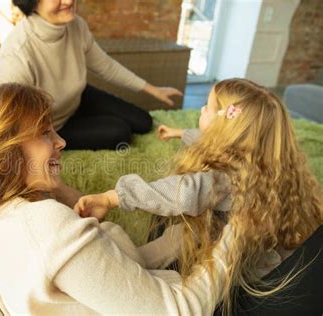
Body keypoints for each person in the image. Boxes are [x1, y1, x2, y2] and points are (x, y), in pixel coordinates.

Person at [0, 83, 234, 315]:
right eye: (44, 133)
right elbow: (179, 310)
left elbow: (118, 273)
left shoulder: (3, 222)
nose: (61, 141)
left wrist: (181, 237)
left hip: (154, 289)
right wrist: (236, 236)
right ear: (3, 155)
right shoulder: (46, 226)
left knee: (173, 209)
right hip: (188, 303)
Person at [75, 78, 323, 314]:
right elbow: (210, 140)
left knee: (175, 237)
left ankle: (131, 268)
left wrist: (112, 197)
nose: (202, 108)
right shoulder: (262, 163)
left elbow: (181, 192)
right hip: (251, 245)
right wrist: (179, 132)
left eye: (209, 107)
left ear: (224, 125)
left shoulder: (221, 180)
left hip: (230, 267)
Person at [0, 0, 183, 150]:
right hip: (52, 125)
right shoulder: (17, 52)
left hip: (78, 97)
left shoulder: (76, 25)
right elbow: (12, 122)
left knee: (144, 122)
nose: (69, 1)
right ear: (32, 3)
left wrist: (153, 90)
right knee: (120, 133)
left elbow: (106, 66)